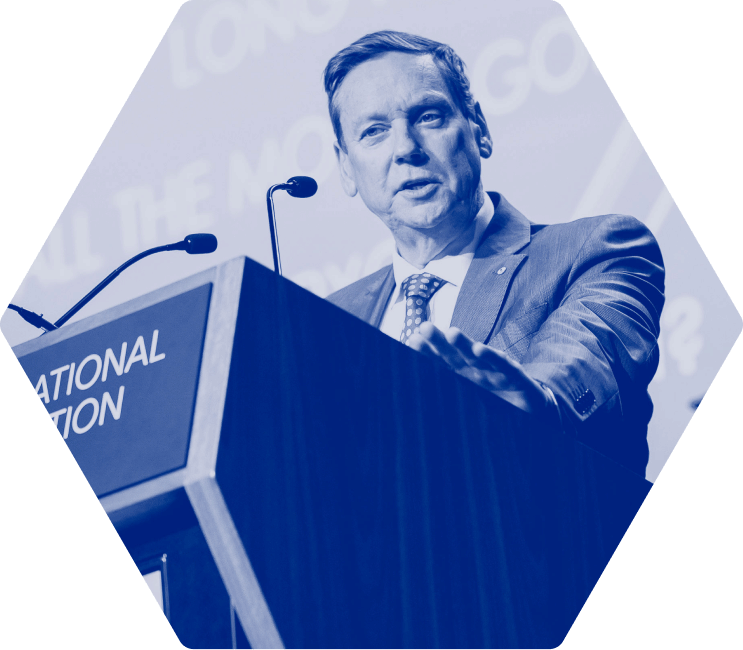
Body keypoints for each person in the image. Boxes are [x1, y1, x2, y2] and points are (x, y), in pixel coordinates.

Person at [323, 31, 664, 476]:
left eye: (428, 116)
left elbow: (587, 357)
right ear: (346, 167)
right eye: (374, 131)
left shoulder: (597, 250)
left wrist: (539, 402)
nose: (406, 148)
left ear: (478, 129)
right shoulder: (327, 319)